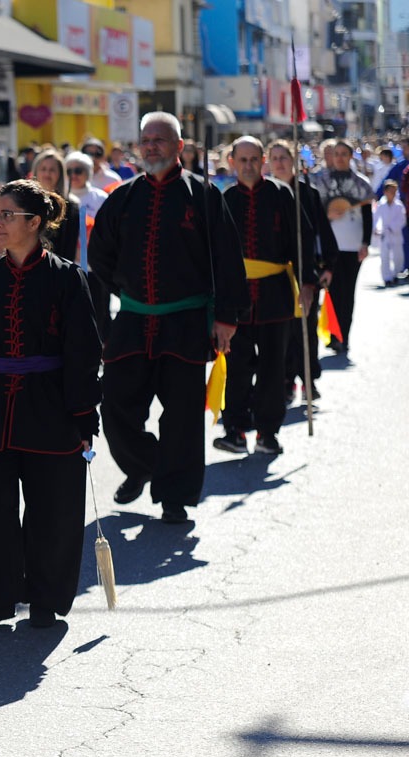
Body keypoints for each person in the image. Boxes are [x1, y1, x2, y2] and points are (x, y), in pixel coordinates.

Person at [0, 180, 101, 630]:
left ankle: (44, 599)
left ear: (34, 223)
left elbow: (83, 350)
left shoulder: (67, 277)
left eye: (6, 215)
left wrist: (82, 413)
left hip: (52, 407)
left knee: (52, 509)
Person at [89, 112, 248, 523]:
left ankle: (174, 496)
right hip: (134, 319)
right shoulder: (122, 198)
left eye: (160, 139)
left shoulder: (204, 195)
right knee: (115, 406)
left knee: (181, 415)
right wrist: (125, 287)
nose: (152, 146)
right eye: (146, 139)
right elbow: (99, 254)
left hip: (186, 322)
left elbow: (228, 259)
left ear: (180, 146)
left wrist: (226, 317)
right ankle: (144, 466)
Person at [213, 136, 312, 458]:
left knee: (272, 369)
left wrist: (307, 283)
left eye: (254, 159)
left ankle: (268, 433)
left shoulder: (283, 194)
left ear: (263, 160)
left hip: (275, 296)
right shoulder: (225, 199)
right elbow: (213, 253)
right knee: (237, 367)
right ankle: (236, 430)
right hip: (236, 300)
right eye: (242, 160)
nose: (248, 165)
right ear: (232, 162)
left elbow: (303, 242)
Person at [267, 140, 335, 404]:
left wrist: (328, 265)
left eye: (284, 157)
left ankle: (308, 379)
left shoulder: (309, 193)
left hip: (305, 271)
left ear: (293, 160)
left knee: (305, 327)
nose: (280, 163)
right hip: (274, 275)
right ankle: (285, 381)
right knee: (281, 332)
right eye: (275, 158)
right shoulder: (265, 192)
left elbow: (322, 233)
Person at [312, 139, 373, 353]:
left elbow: (367, 215)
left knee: (347, 294)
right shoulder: (320, 182)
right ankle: (331, 335)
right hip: (329, 248)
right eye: (336, 153)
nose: (339, 157)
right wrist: (327, 215)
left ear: (350, 156)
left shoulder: (361, 183)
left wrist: (366, 243)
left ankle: (343, 336)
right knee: (331, 292)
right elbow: (313, 215)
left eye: (343, 153)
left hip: (352, 245)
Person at [31, 149, 81, 264]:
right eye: (43, 169)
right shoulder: (24, 203)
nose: (47, 173)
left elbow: (70, 247)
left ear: (60, 173)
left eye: (52, 170)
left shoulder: (70, 207)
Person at [375, 179, 405, 287]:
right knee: (385, 257)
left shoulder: (399, 205)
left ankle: (395, 274)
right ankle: (387, 278)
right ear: (385, 192)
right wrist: (377, 229)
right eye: (390, 191)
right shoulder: (381, 205)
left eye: (394, 191)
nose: (392, 194)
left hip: (396, 234)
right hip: (385, 235)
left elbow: (402, 219)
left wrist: (393, 227)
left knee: (398, 257)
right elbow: (376, 218)